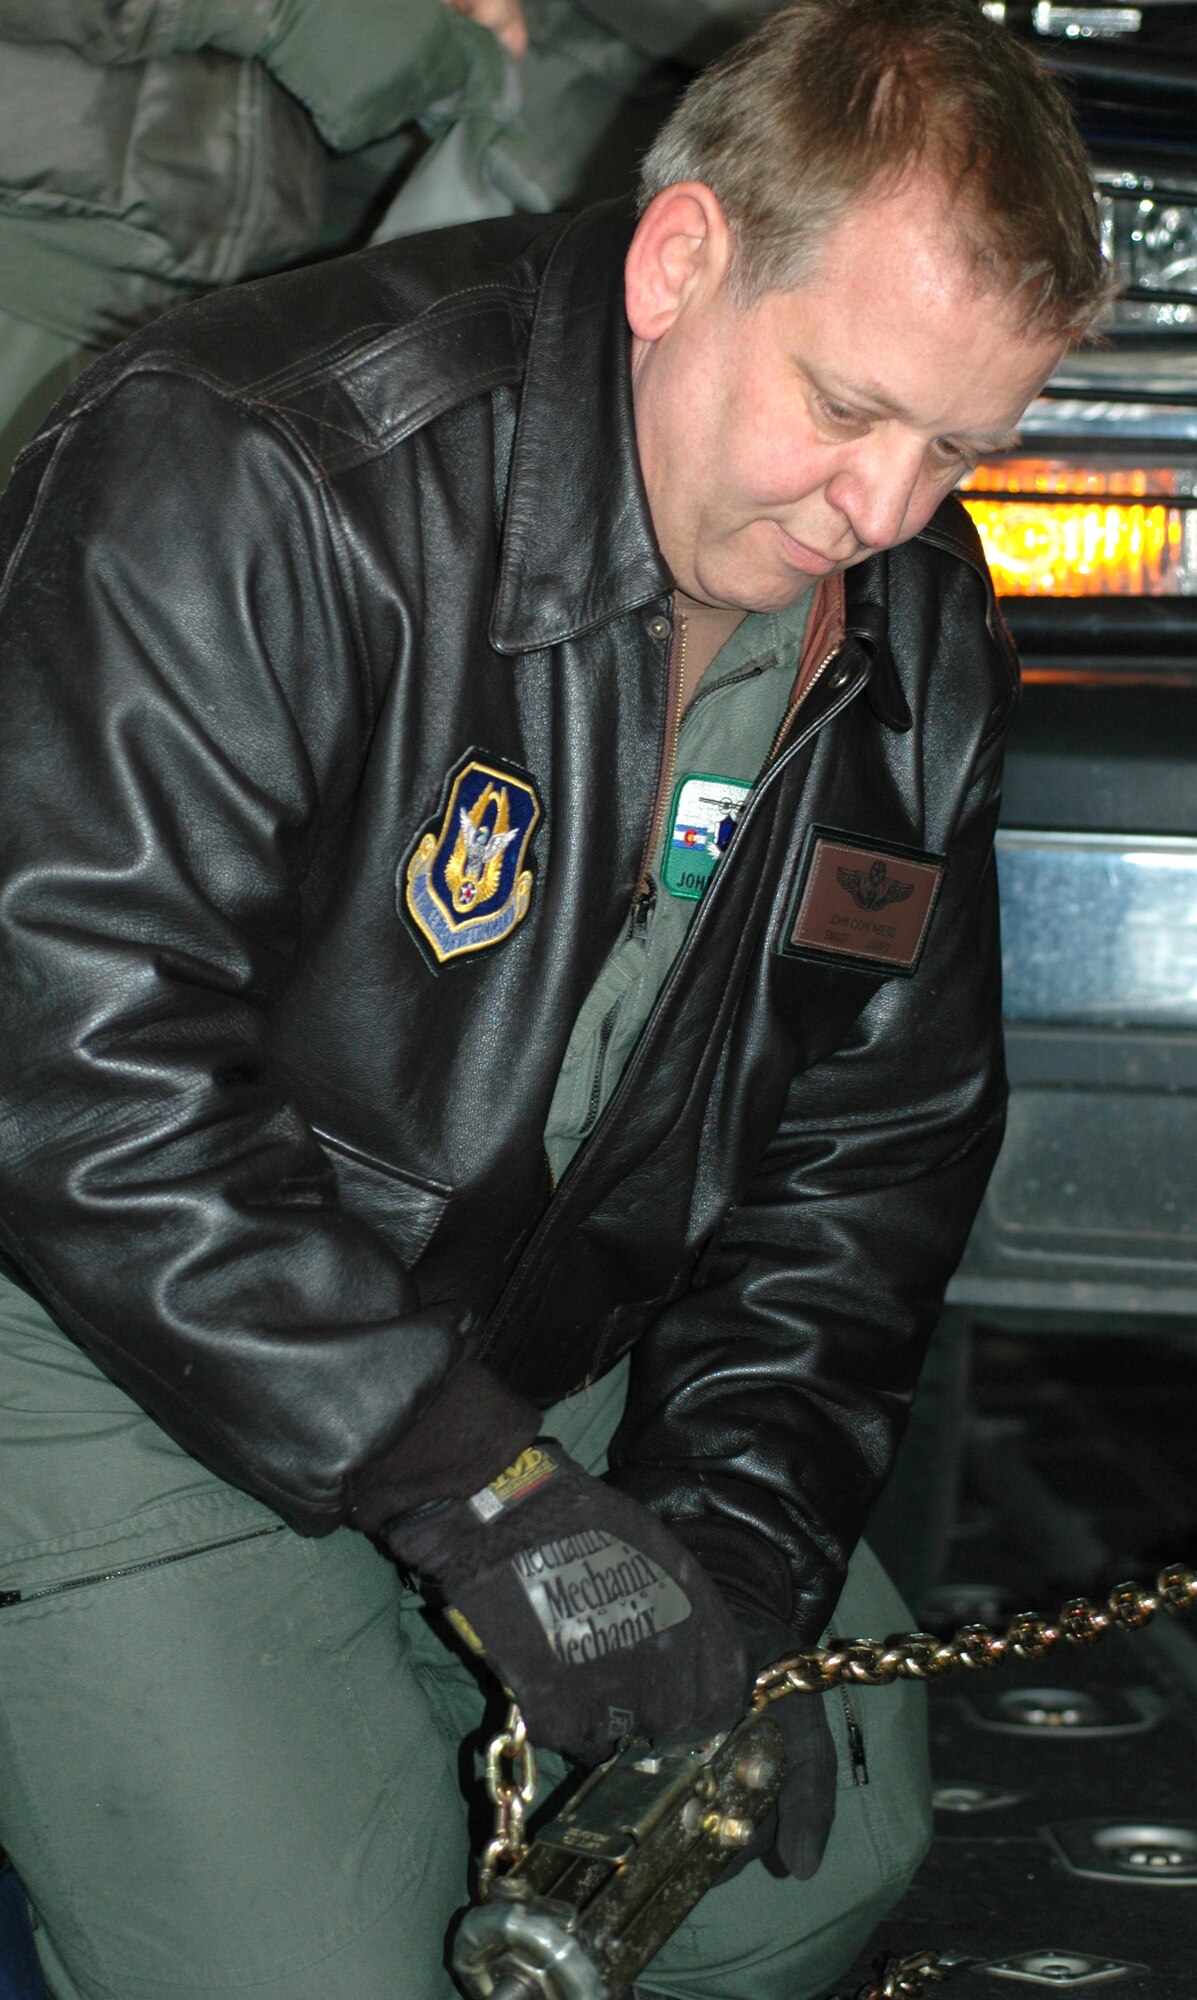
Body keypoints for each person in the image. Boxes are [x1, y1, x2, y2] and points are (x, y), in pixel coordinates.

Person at [0, 4, 1108, 1997]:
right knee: (321, 1969)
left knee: (797, 1848)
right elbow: (80, 1089)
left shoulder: (918, 634)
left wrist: (726, 1556)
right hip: (110, 1349)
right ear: (677, 258)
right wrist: (474, 1495)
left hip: (522, 1335)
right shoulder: (265, 466)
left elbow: (865, 1169)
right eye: (846, 409)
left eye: (952, 449)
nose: (883, 511)